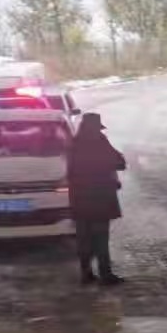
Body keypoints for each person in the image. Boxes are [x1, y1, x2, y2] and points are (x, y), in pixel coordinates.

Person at [67, 112, 127, 286]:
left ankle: (86, 274)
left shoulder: (73, 144)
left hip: (80, 199)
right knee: (101, 238)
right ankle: (105, 274)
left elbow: (70, 172)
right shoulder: (100, 142)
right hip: (100, 197)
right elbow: (119, 162)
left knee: (83, 239)